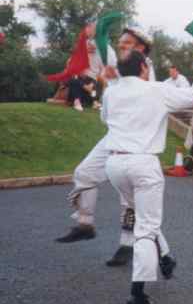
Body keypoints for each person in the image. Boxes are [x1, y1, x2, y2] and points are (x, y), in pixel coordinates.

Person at [102, 49, 193, 304]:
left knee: (143, 217)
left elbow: (105, 119)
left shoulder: (110, 91)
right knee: (147, 227)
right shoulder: (156, 90)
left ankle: (165, 256)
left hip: (115, 163)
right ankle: (137, 294)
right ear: (142, 67)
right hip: (143, 162)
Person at [56, 28, 159, 269]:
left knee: (129, 198)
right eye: (120, 41)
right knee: (84, 173)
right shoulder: (119, 61)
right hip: (115, 135)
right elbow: (101, 54)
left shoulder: (146, 66)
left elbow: (143, 93)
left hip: (137, 140)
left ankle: (127, 245)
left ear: (141, 47)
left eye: (127, 43)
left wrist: (111, 80)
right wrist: (91, 37)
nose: (122, 45)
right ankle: (85, 224)